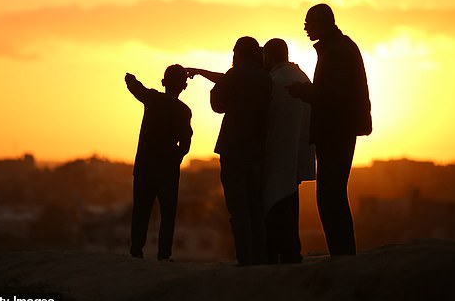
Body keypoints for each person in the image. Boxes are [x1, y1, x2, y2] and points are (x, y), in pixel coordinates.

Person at [287, 4, 371, 256]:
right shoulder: (338, 48)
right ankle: (343, 253)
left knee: (329, 197)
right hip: (337, 130)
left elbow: (334, 97)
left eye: (309, 22)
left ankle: (342, 255)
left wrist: (304, 92)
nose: (305, 27)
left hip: (336, 131)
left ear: (323, 23)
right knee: (333, 195)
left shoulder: (336, 52)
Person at [186, 37, 272, 265]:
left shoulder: (235, 75)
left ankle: (245, 257)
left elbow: (217, 103)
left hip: (234, 148)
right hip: (258, 150)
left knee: (238, 208)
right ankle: (259, 257)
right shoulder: (267, 77)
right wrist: (202, 72)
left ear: (239, 54)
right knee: (256, 206)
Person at [125, 65, 193, 261]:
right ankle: (164, 255)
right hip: (168, 171)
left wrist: (130, 78)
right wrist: (175, 158)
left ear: (163, 82)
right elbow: (186, 142)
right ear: (184, 86)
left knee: (141, 211)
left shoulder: (153, 99)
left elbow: (136, 88)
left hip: (144, 167)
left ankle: (136, 250)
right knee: (168, 214)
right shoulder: (183, 111)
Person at [262, 38, 315, 264]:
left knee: (275, 207)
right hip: (296, 153)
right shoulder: (301, 77)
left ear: (269, 56)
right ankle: (291, 251)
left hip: (276, 152)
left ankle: (279, 252)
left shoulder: (275, 80)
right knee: (290, 205)